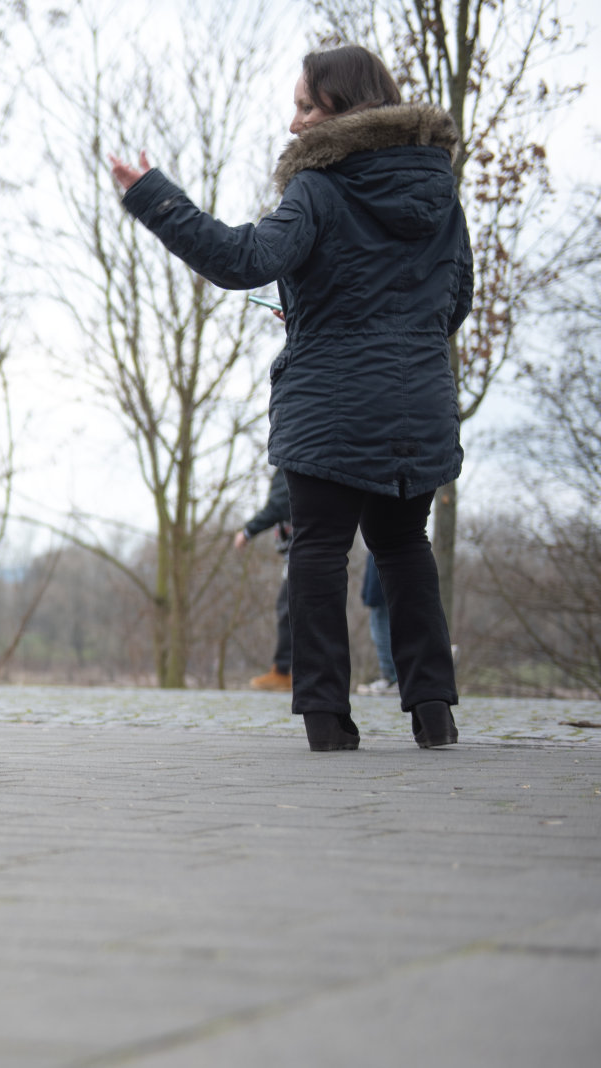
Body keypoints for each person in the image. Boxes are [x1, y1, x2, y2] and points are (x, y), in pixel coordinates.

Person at [109, 45, 469, 751]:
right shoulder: (439, 193)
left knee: (319, 548)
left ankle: (328, 722)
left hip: (332, 399)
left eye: (307, 105)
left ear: (343, 110)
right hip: (418, 399)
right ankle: (434, 713)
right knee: (403, 544)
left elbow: (244, 261)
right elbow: (452, 301)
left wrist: (153, 194)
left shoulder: (320, 187)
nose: (294, 120)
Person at [233, 469, 292, 692]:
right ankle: (289, 671)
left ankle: (283, 671)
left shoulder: (289, 460)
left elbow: (278, 505)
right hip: (309, 547)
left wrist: (248, 531)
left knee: (287, 608)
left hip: (302, 550)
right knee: (296, 609)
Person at [355, 553, 397, 696]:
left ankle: (391, 676)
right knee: (380, 624)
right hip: (386, 565)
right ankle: (392, 676)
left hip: (385, 565)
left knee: (380, 625)